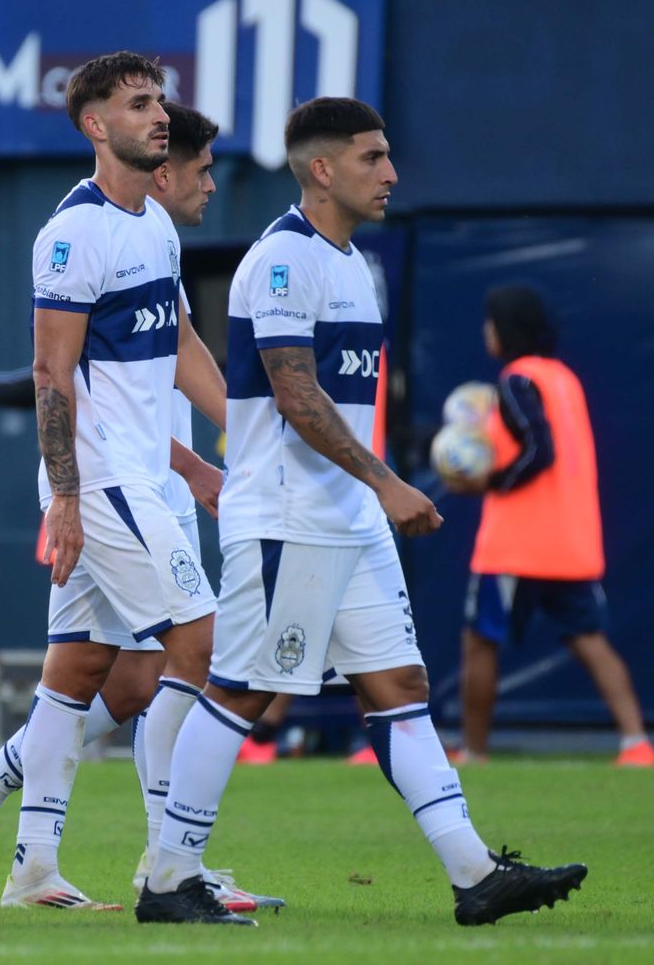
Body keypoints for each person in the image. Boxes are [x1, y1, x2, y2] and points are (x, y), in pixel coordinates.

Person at [140, 97, 588, 927]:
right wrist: (386, 481)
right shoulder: (282, 260)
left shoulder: (354, 263)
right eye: (373, 157)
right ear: (322, 169)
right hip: (289, 517)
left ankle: (473, 871)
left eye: (387, 157)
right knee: (240, 692)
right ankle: (169, 876)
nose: (390, 172)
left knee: (400, 687)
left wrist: (370, 497)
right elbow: (294, 391)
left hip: (347, 521)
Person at [0, 102, 276, 913]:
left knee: (91, 675)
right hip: (108, 483)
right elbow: (57, 377)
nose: (209, 183)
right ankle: (174, 862)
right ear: (156, 163)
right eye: (200, 168)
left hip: (147, 480)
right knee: (196, 649)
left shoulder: (154, 228)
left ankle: (19, 850)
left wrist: (228, 442)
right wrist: (71, 496)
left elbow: (171, 355)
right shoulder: (74, 234)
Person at [453, 283, 654, 767]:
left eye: (490, 322)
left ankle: (473, 753)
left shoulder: (516, 380)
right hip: (572, 541)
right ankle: (636, 743)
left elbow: (539, 450)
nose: (486, 330)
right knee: (589, 639)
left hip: (515, 545)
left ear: (506, 329)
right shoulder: (564, 379)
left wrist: (492, 480)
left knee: (479, 641)